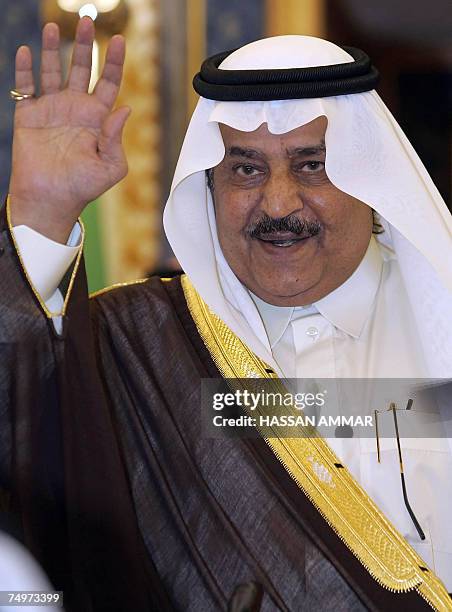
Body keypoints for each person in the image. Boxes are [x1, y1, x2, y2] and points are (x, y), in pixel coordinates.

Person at [1, 15, 451, 612]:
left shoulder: (441, 318)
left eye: (312, 164)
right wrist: (40, 214)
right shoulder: (138, 348)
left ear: (370, 179)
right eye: (245, 169)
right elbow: (27, 418)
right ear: (207, 187)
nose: (279, 202)